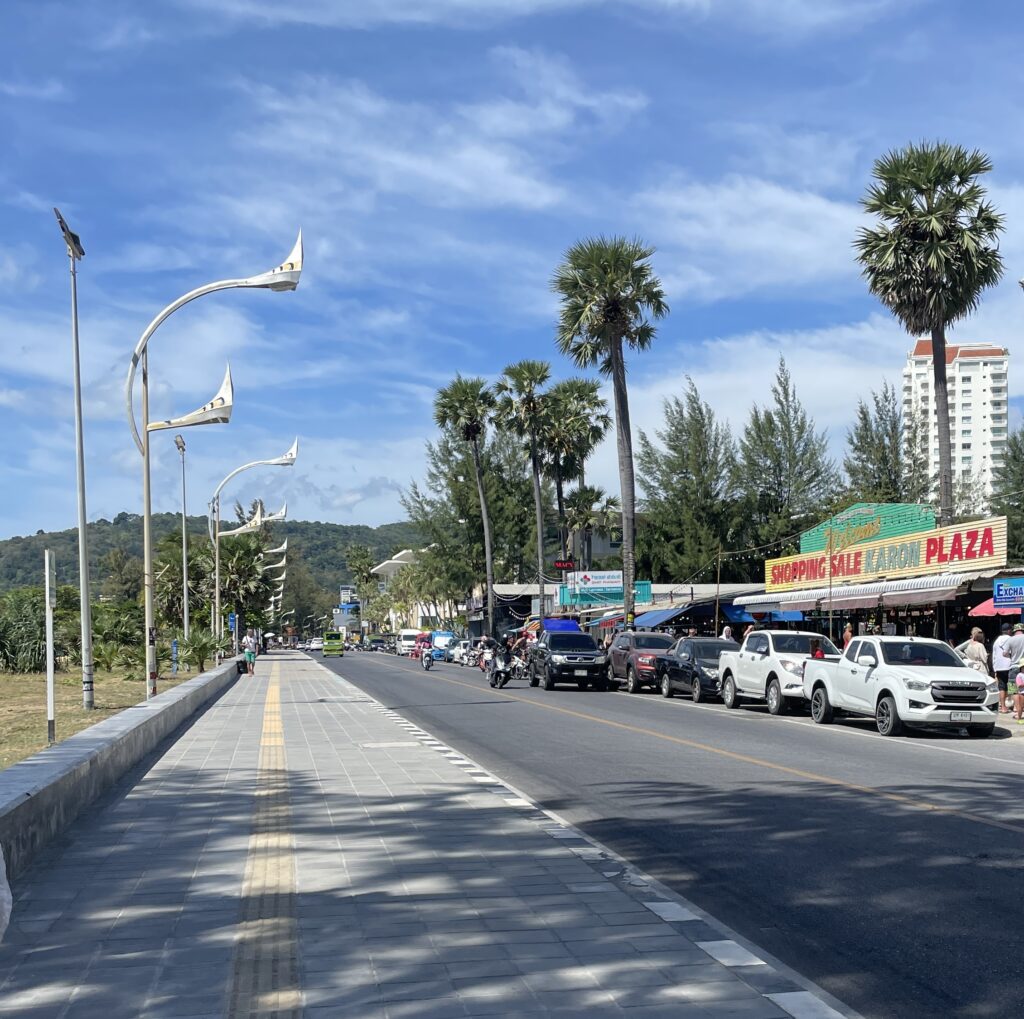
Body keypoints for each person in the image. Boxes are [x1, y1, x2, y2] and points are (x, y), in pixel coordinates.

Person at [991, 623, 1014, 714]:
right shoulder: (1011, 640)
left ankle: (1003, 707)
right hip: (1010, 665)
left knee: (1001, 686)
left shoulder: (996, 641)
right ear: (1009, 631)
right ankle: (1014, 706)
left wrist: (994, 668)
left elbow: (994, 655)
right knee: (1012, 685)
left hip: (999, 666)